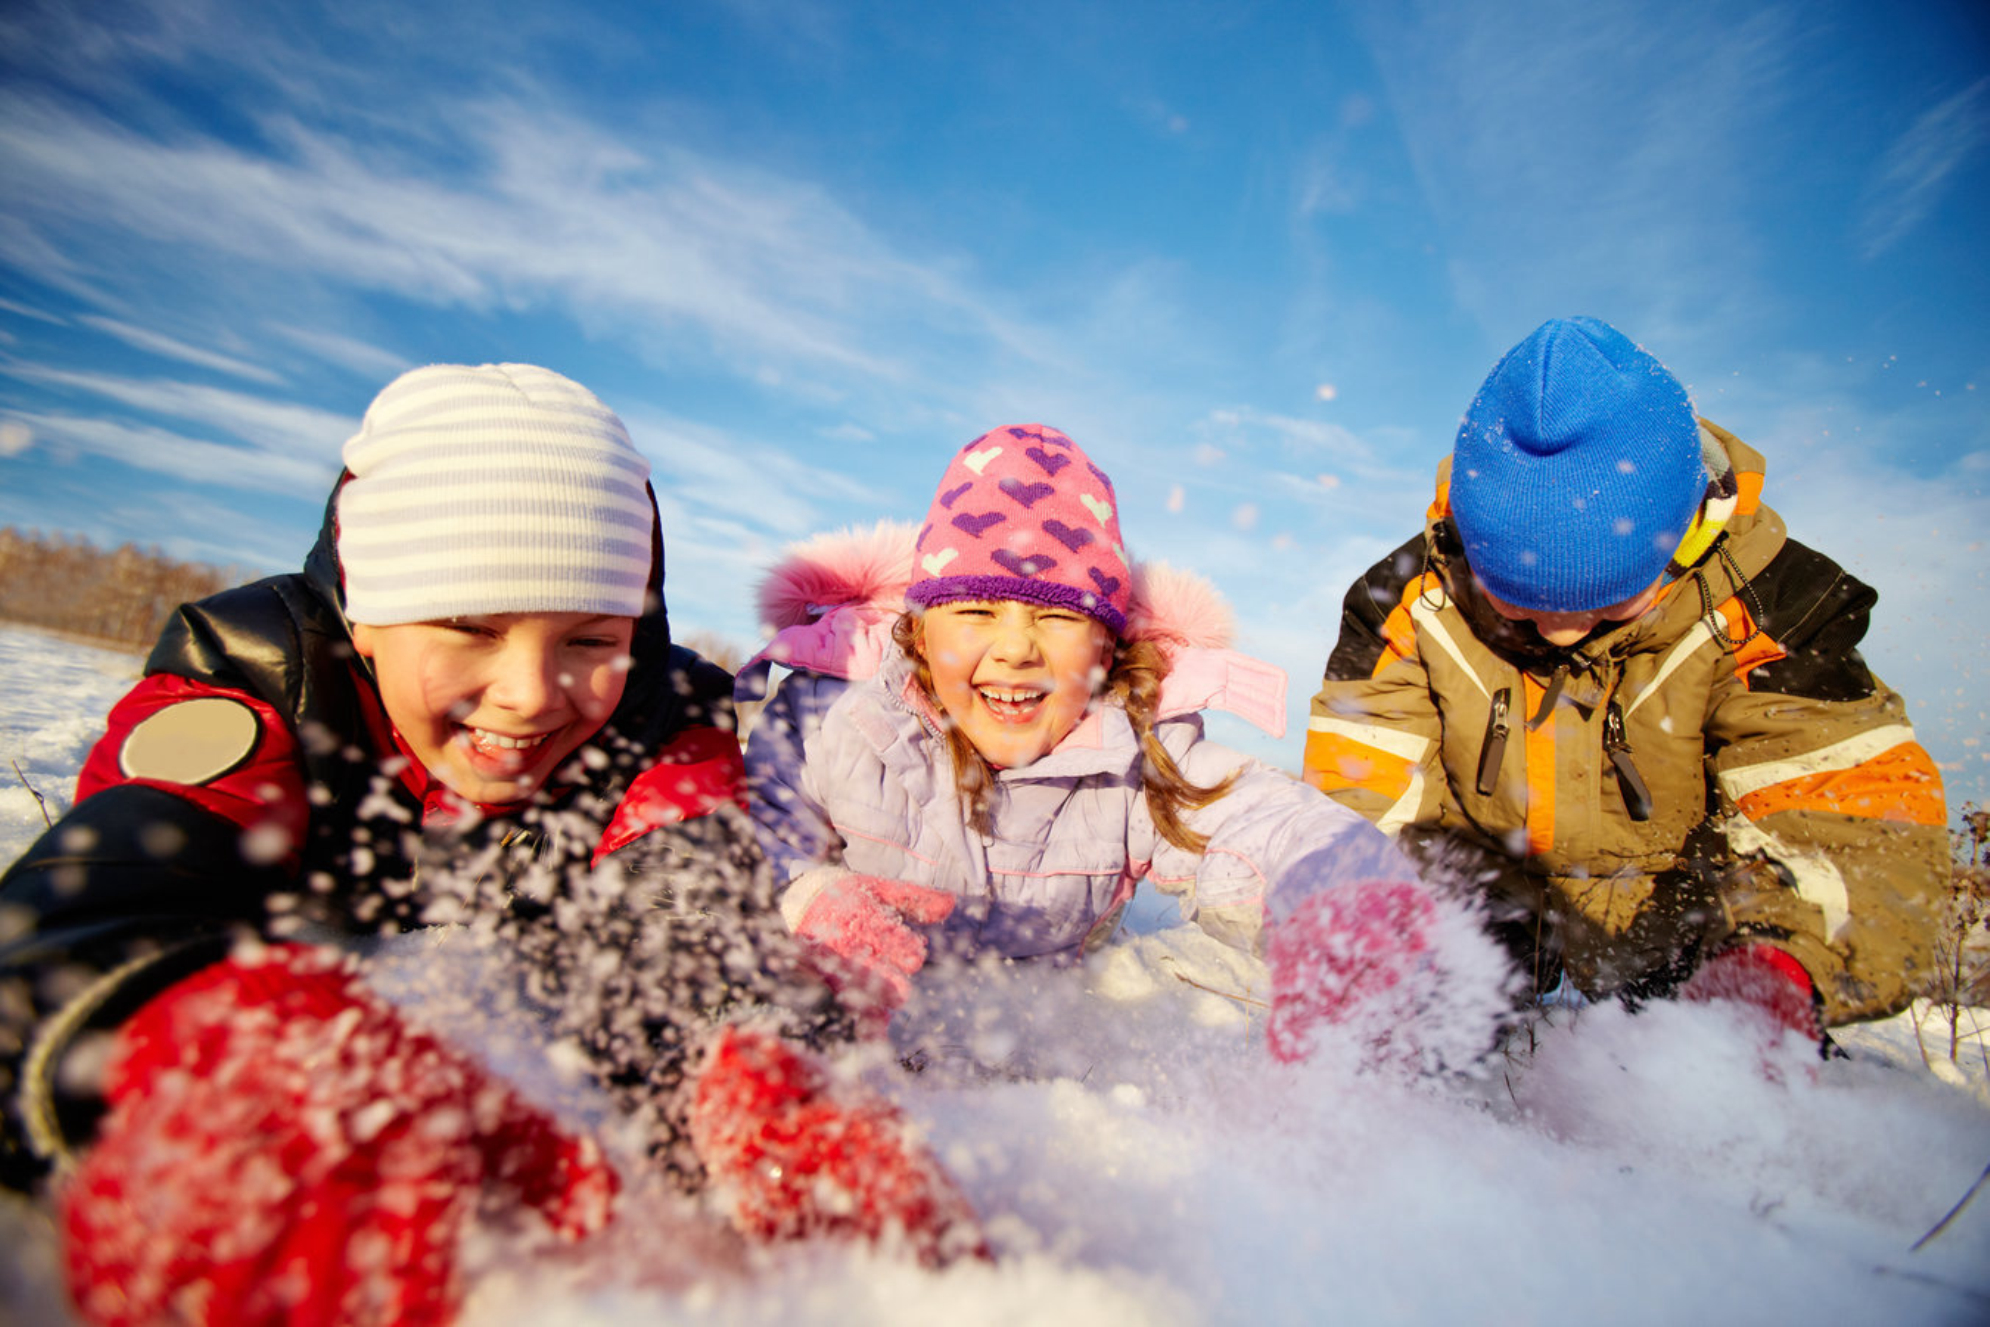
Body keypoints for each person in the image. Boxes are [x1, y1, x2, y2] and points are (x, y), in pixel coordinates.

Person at [0, 364, 981, 1326]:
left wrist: (743, 1057)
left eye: (590, 640)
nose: (528, 691)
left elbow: (684, 914)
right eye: (470, 628)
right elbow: (94, 910)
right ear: (366, 610)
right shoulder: (255, 684)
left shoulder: (661, 721)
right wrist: (184, 1052)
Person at [737, 423, 1513, 1070]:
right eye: (974, 609)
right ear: (919, 624)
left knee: (1216, 989)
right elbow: (748, 838)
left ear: (1108, 643)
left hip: (1037, 1042)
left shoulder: (1136, 750)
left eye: (1057, 616)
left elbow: (1254, 815)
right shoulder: (836, 716)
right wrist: (806, 894)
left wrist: (1332, 885)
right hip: (855, 1020)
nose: (1015, 650)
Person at [1301, 316, 1947, 1050]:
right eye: (1518, 598)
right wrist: (1368, 926)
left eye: (1604, 599)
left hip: (1692, 947)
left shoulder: (1771, 607)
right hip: (1477, 941)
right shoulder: (1407, 604)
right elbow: (1363, 796)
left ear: (1687, 537)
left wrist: (1777, 963)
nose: (1561, 632)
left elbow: (1839, 814)